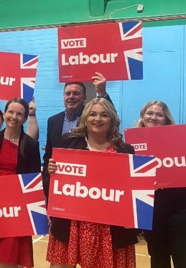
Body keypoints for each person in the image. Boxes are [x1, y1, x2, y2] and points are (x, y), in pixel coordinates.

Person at [46, 98, 137, 268]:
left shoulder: (125, 150)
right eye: (93, 114)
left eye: (104, 115)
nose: (98, 119)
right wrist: (52, 169)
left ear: (112, 119)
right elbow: (56, 181)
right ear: (85, 118)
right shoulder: (68, 143)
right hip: (72, 222)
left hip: (110, 226)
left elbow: (133, 188)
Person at [0, 98, 41, 268]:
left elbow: (34, 181)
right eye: (11, 112)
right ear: (4, 114)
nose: (14, 116)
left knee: (8, 260)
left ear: (25, 119)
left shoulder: (31, 145)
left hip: (15, 211)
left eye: (19, 114)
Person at [42, 72, 110, 202]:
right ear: (63, 97)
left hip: (85, 183)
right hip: (59, 182)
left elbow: (110, 117)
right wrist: (47, 182)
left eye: (76, 93)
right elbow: (49, 154)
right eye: (68, 94)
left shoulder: (92, 118)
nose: (71, 97)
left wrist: (102, 93)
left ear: (84, 98)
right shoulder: (53, 120)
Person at [137, 100, 185, 268]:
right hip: (151, 208)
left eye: (159, 114)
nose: (154, 117)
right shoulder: (132, 145)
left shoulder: (180, 140)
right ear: (143, 117)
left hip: (179, 206)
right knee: (157, 255)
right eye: (150, 113)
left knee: (182, 254)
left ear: (166, 119)